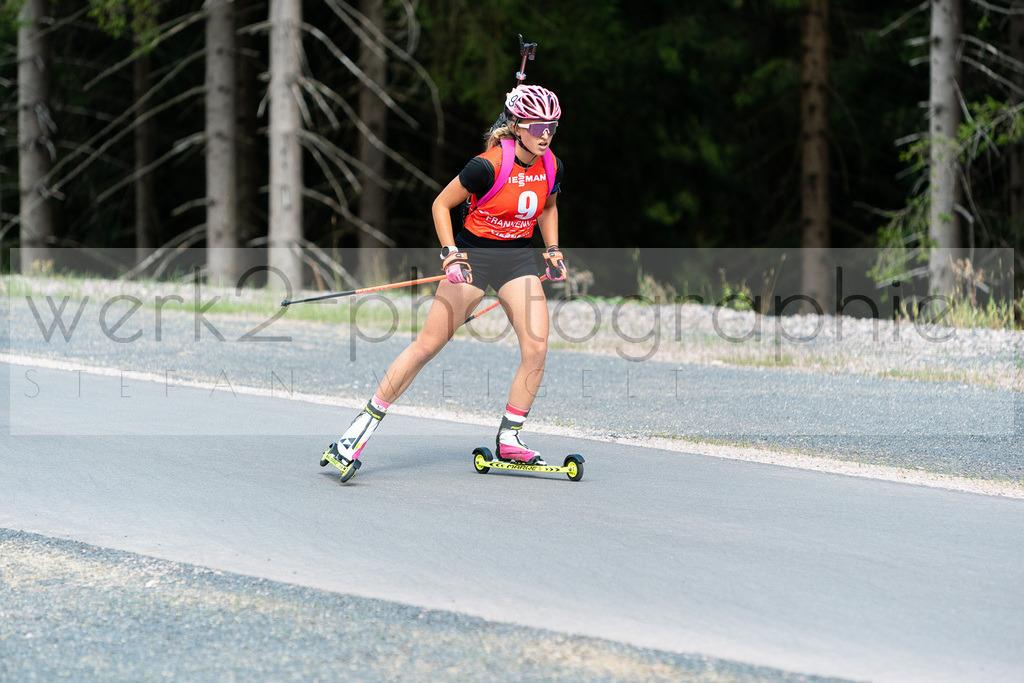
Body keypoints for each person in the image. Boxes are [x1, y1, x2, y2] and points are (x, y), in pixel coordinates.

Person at [321, 84, 566, 479]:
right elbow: (441, 204)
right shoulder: (485, 166)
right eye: (537, 126)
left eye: (551, 126)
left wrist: (552, 248)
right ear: (517, 125)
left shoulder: (550, 163)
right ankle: (355, 434)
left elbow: (548, 206)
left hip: (518, 259)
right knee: (427, 346)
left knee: (537, 348)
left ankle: (510, 439)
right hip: (475, 259)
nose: (545, 134)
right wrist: (450, 253)